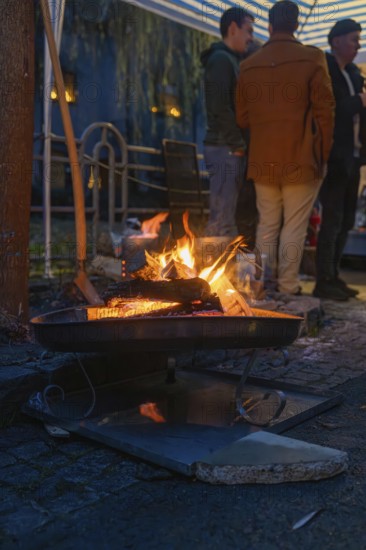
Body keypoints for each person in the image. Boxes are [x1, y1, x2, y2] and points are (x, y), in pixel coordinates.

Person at [236, 0, 335, 295]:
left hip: (263, 157)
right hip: (301, 157)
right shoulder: (313, 58)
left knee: (267, 224)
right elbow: (325, 113)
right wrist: (323, 155)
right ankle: (288, 285)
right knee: (294, 224)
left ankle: (261, 283)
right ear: (294, 24)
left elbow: (242, 117)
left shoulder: (248, 65)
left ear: (269, 25)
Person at [313, 19, 366, 301]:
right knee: (331, 219)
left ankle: (334, 275)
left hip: (355, 157)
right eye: (353, 39)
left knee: (346, 220)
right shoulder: (326, 69)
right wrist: (360, 100)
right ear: (335, 41)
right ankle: (323, 279)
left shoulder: (354, 73)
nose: (357, 45)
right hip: (334, 156)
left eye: (359, 40)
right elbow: (330, 110)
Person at [201, 7, 254, 236]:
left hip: (227, 146)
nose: (251, 37)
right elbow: (219, 106)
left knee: (225, 215)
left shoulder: (230, 59)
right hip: (225, 147)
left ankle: (217, 267)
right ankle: (211, 269)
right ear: (233, 28)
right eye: (248, 30)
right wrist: (237, 145)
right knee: (222, 217)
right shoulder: (222, 60)